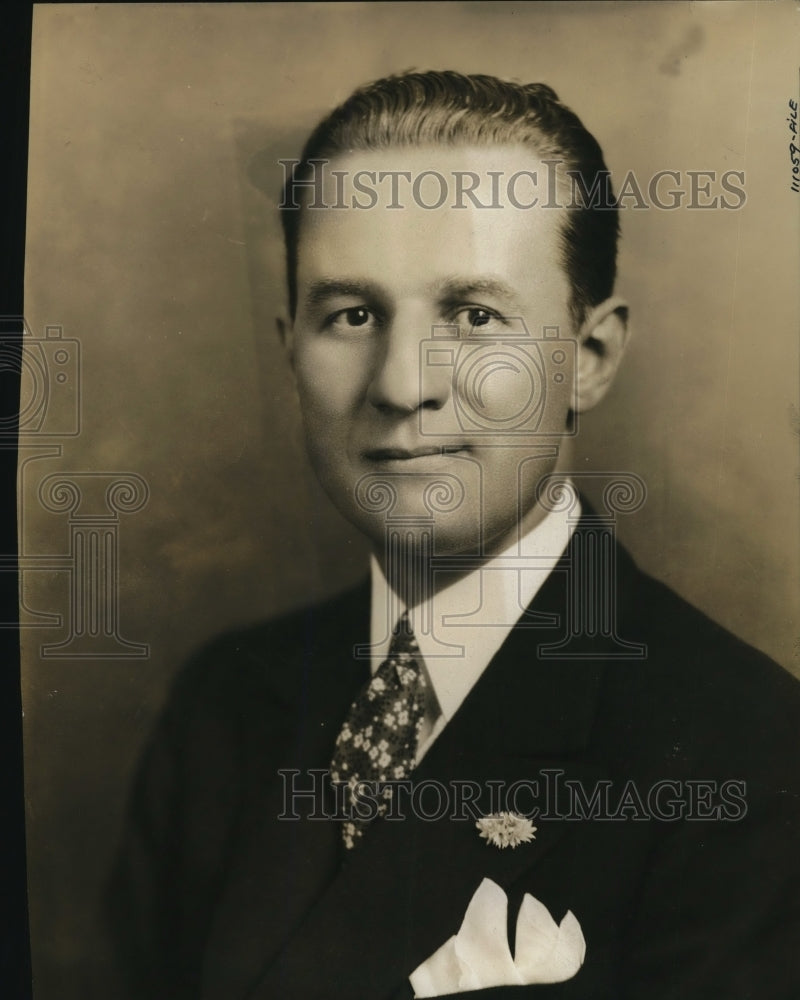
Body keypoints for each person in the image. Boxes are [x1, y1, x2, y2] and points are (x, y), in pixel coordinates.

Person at [108, 71, 800, 999]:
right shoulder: (225, 706)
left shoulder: (748, 750)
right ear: (288, 349)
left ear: (587, 358)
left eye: (474, 317)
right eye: (351, 316)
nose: (402, 386)